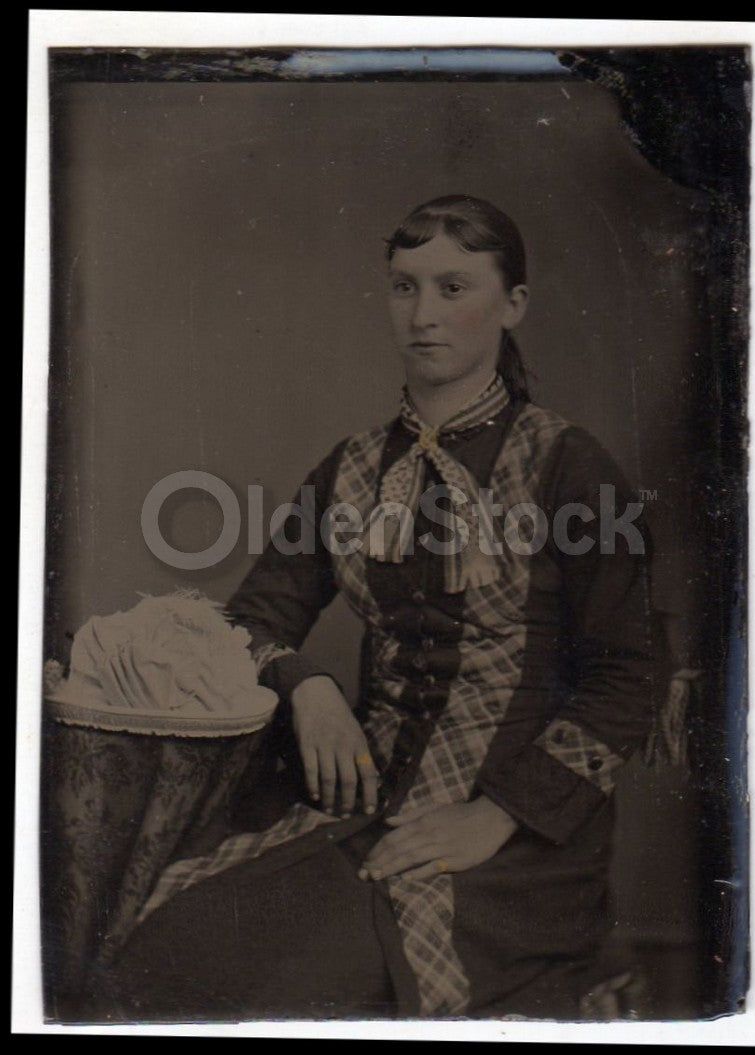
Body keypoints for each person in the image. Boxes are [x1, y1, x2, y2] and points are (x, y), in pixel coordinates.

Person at [93, 195, 664, 1021]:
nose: (424, 315)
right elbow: (249, 620)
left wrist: (498, 814)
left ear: (514, 305)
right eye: (404, 287)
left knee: (297, 986)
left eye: (453, 288)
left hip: (515, 839)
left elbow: (630, 673)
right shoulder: (354, 467)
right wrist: (306, 685)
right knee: (170, 943)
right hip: (361, 802)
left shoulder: (570, 465)